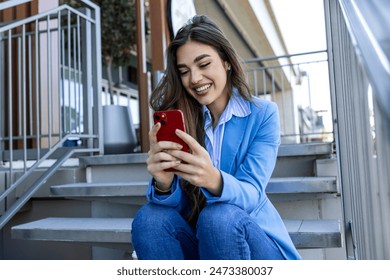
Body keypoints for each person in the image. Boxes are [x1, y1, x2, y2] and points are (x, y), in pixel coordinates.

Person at [131, 14, 301, 260]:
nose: (195, 78)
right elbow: (179, 210)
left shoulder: (263, 115)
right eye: (185, 71)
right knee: (150, 219)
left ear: (226, 61)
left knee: (219, 218)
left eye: (203, 64)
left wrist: (213, 179)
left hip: (254, 241)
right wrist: (164, 184)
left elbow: (252, 193)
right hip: (204, 244)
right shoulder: (185, 120)